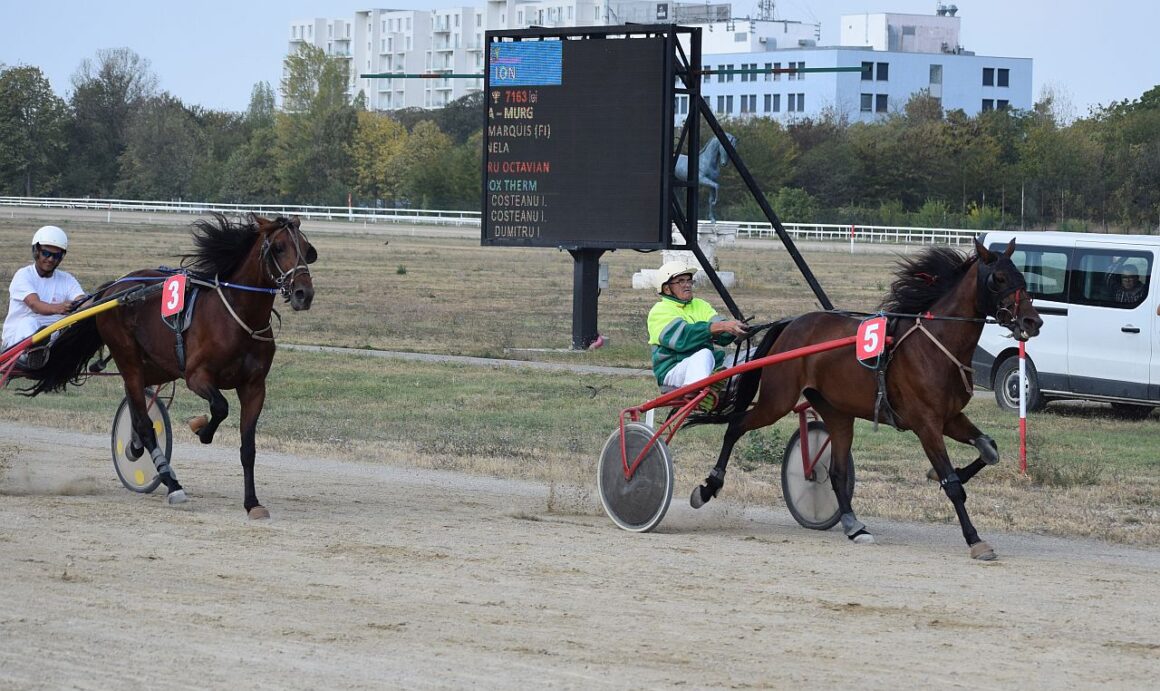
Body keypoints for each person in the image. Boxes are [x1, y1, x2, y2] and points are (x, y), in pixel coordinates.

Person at [647, 260, 749, 410]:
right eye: (681, 281)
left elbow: (720, 331)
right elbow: (682, 338)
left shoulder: (700, 305)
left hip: (706, 365)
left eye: (689, 280)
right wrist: (719, 327)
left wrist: (735, 329)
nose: (687, 284)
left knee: (751, 356)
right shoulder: (660, 310)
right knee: (704, 354)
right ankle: (695, 394)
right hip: (674, 371)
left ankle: (717, 387)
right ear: (667, 289)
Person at [2, 226, 86, 367]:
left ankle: (42, 355)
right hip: (17, 340)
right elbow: (35, 305)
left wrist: (91, 303)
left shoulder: (67, 279)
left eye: (56, 256)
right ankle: (30, 357)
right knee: (29, 323)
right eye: (46, 253)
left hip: (51, 339)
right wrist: (58, 308)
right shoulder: (23, 275)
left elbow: (82, 300)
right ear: (36, 251)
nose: (50, 259)